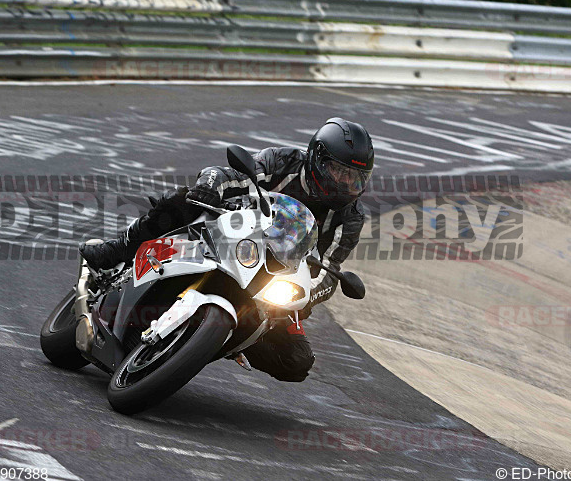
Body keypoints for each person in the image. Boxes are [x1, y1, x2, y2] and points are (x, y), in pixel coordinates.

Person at [81, 118, 373, 382]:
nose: (346, 184)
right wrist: (210, 186)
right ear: (317, 159)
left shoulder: (351, 218)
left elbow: (330, 271)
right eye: (339, 172)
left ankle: (218, 342)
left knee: (297, 361)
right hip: (235, 233)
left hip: (275, 277)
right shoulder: (283, 161)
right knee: (181, 200)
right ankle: (119, 249)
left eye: (355, 179)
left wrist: (308, 295)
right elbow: (229, 174)